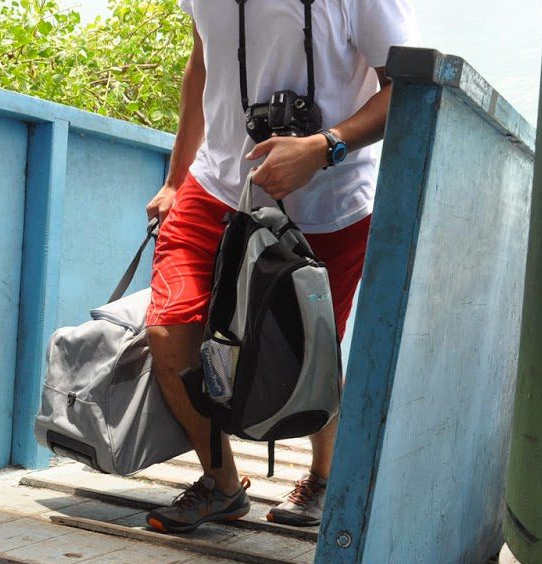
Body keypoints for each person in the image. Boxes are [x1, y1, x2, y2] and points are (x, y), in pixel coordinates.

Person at [142, 0, 417, 532]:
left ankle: (323, 477)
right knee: (170, 329)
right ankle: (221, 483)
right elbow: (203, 62)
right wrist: (176, 178)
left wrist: (324, 145)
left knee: (311, 348)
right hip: (217, 184)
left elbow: (406, 84)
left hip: (328, 202)